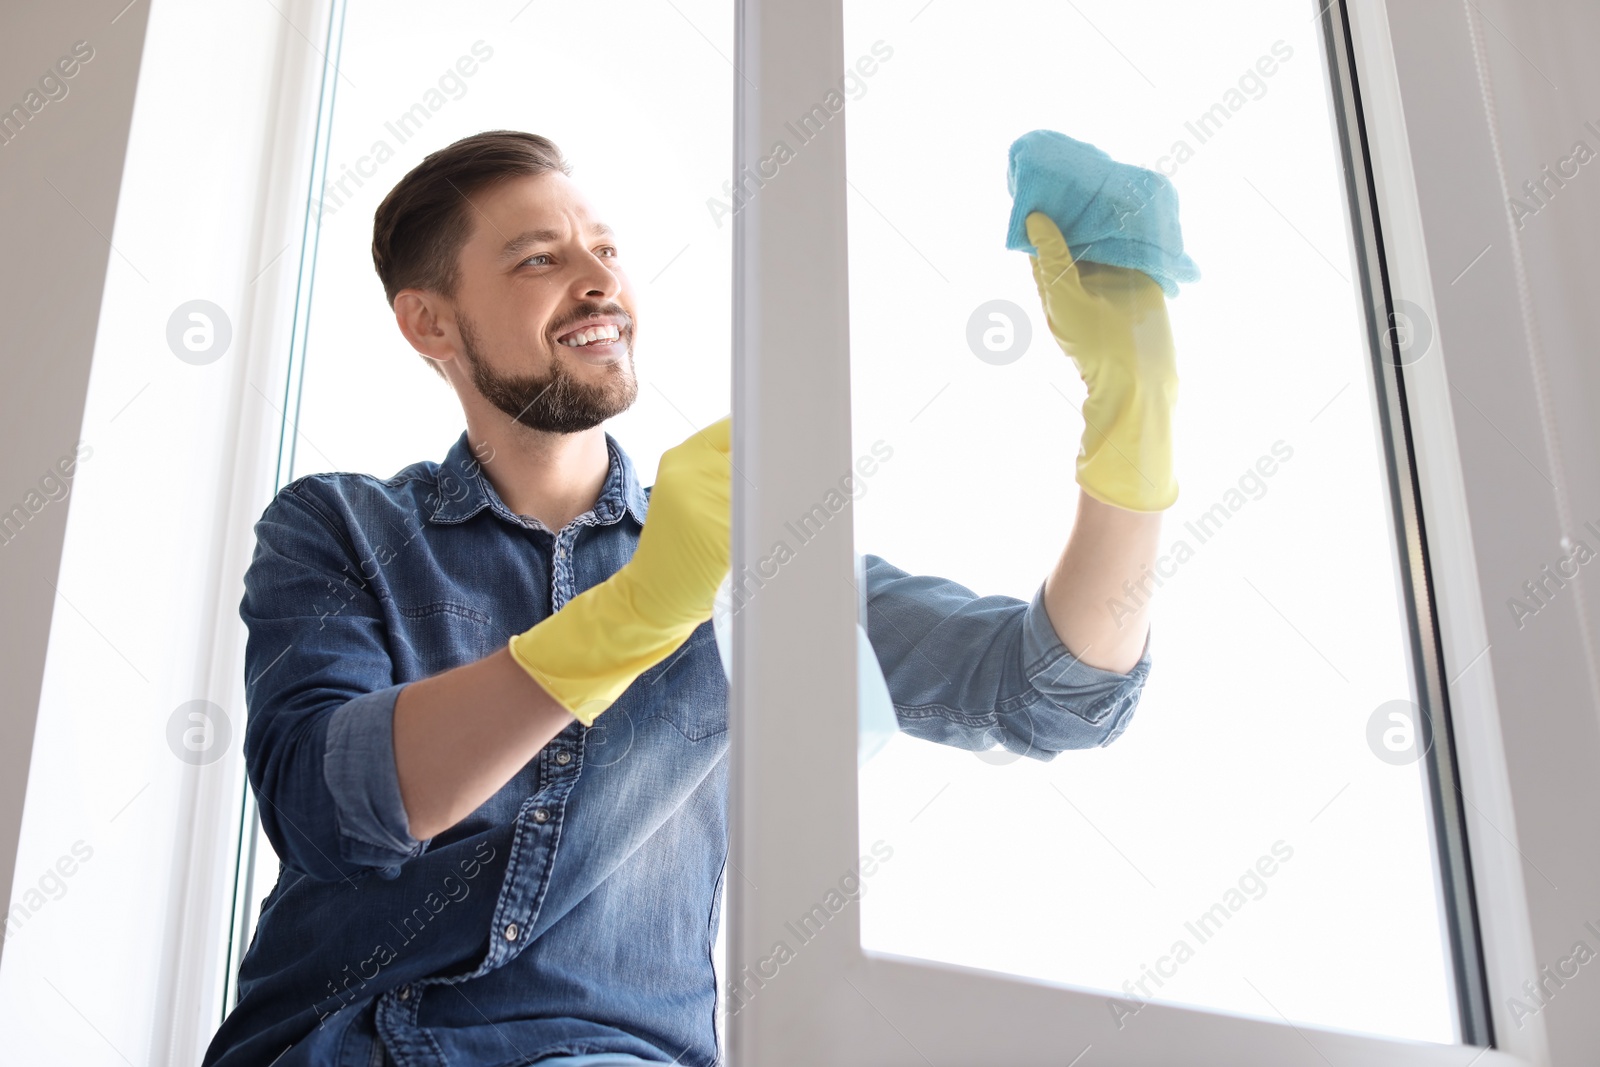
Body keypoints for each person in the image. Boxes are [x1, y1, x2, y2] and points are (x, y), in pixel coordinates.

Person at [202, 129, 1173, 1067]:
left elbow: (1046, 692)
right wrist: (633, 614)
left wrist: (1133, 415)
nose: (599, 279)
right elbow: (331, 807)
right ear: (431, 322)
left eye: (607, 249)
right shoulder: (339, 528)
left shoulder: (740, 546)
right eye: (539, 258)